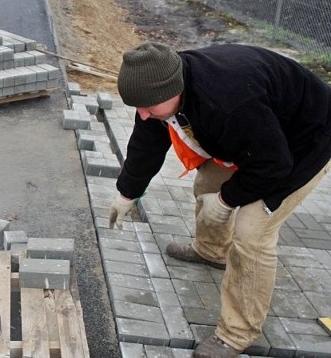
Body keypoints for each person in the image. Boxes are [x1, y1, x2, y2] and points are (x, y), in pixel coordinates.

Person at [109, 42, 331, 357]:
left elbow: (273, 165)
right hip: (261, 135)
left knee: (252, 233)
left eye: (148, 108)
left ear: (173, 90)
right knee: (207, 182)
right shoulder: (159, 88)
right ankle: (211, 251)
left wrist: (227, 201)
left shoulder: (229, 100)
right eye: (138, 108)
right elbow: (147, 142)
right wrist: (127, 192)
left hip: (304, 142)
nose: (143, 115)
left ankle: (237, 334)